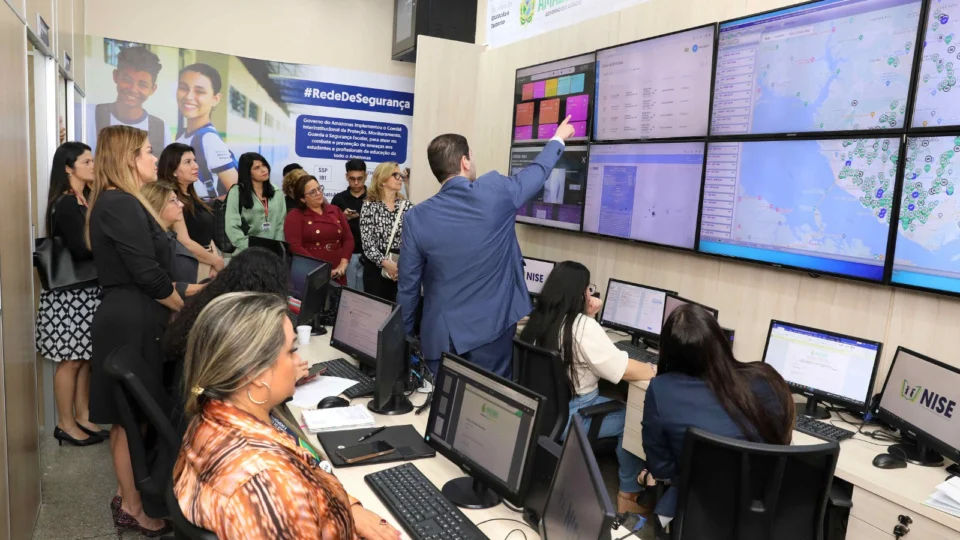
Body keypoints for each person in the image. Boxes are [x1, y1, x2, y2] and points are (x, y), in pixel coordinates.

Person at [174, 292, 401, 540]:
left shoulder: (213, 412)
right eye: (291, 351)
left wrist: (349, 507)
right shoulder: (268, 484)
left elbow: (310, 476)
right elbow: (283, 497)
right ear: (256, 374)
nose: (299, 360)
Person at [398, 116, 575, 378]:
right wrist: (558, 138)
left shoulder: (416, 217)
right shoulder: (495, 191)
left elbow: (408, 287)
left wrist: (402, 338)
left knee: (436, 411)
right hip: (491, 332)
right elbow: (536, 173)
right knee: (487, 412)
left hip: (441, 337)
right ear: (465, 161)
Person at [86, 125, 183, 537]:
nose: (153, 158)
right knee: (129, 417)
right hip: (131, 317)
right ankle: (131, 506)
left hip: (133, 313)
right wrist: (182, 307)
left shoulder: (121, 202)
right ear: (128, 158)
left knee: (130, 417)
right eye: (146, 151)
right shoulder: (120, 203)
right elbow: (147, 272)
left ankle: (129, 495)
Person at [519, 261, 657, 514]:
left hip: (542, 413)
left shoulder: (537, 320)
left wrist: (589, 316)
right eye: (588, 290)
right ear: (579, 292)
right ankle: (629, 493)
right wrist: (653, 369)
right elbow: (623, 369)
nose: (590, 295)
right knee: (634, 418)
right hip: (573, 416)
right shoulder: (581, 328)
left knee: (615, 394)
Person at [641, 304, 795, 522]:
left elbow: (661, 469)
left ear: (667, 350)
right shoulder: (767, 378)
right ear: (719, 342)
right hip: (767, 512)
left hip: (700, 514)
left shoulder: (661, 390)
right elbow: (783, 445)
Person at [162, 247, 289, 432]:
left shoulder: (210, 305)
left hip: (189, 406)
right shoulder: (233, 328)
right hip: (213, 419)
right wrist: (287, 374)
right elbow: (247, 385)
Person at [35, 142, 106, 446]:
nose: (93, 166)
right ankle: (65, 423)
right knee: (71, 360)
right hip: (69, 296)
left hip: (85, 292)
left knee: (85, 358)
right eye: (87, 161)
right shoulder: (65, 203)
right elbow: (80, 248)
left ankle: (83, 415)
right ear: (68, 167)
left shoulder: (83, 199)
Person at [158, 143, 224, 278]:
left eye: (195, 160)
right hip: (190, 264)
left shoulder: (193, 197)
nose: (195, 166)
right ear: (173, 170)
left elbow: (207, 234)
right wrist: (215, 261)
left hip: (208, 262)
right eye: (188, 162)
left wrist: (215, 262)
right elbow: (184, 241)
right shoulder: (170, 199)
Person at [87, 46, 169, 152]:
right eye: (127, 80)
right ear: (115, 76)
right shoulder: (91, 116)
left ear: (153, 89)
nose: (133, 89)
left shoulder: (161, 130)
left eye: (142, 84)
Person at [174, 63, 237, 198]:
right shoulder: (181, 136)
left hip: (200, 216)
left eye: (200, 91)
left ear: (215, 99)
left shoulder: (208, 139)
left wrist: (202, 206)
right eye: (183, 88)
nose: (188, 97)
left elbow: (238, 194)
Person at [284, 175, 354, 285]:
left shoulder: (334, 210)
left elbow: (348, 239)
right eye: (312, 192)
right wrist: (321, 269)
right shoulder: (295, 215)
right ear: (303, 199)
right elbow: (295, 246)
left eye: (319, 188)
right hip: (311, 271)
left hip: (338, 271)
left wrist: (343, 264)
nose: (318, 193)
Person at [141, 182, 205, 298]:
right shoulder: (152, 243)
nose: (181, 204)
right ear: (155, 205)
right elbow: (159, 285)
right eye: (173, 201)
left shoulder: (168, 236)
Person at [360, 162, 413, 302]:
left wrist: (398, 266)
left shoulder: (406, 205)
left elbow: (414, 236)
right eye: (395, 175)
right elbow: (367, 244)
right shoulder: (369, 206)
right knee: (377, 314)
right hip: (376, 269)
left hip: (401, 267)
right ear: (383, 179)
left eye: (401, 175)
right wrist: (386, 263)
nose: (400, 178)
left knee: (399, 313)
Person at [224, 152, 285, 253]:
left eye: (264, 165)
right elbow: (232, 226)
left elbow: (280, 225)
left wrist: (276, 248)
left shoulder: (277, 192)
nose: (263, 170)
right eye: (257, 168)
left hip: (271, 254)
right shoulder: (237, 192)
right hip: (246, 252)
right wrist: (249, 247)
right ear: (248, 172)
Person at [331, 159, 367, 291]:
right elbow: (330, 228)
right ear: (346, 176)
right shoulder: (339, 199)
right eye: (352, 179)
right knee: (348, 294)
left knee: (367, 297)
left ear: (366, 176)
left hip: (369, 256)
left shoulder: (373, 198)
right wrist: (342, 217)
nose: (356, 183)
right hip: (346, 256)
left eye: (360, 178)